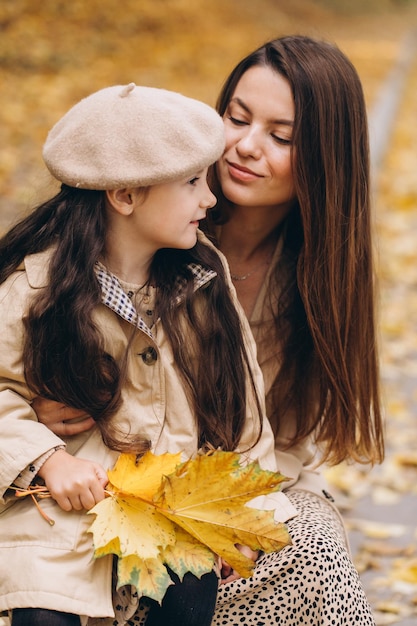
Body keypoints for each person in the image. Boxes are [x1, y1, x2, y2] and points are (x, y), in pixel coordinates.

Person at [34, 35, 384, 625]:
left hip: (230, 492)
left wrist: (234, 511)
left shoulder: (320, 279)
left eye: (281, 137)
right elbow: (38, 320)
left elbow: (287, 447)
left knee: (316, 542)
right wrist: (48, 389)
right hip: (97, 480)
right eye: (237, 118)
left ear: (327, 157)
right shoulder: (153, 212)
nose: (244, 147)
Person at [0, 83, 296, 626]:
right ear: (126, 196)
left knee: (188, 593)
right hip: (58, 513)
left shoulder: (202, 282)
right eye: (191, 183)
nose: (209, 199)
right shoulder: (34, 293)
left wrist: (247, 517)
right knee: (44, 608)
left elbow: (244, 410)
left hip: (171, 507)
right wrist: (46, 459)